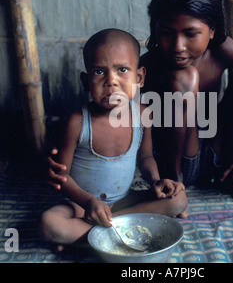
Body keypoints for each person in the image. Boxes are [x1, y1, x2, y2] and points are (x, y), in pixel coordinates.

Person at [47, 0, 233, 210]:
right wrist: (65, 149)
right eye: (167, 33)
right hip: (172, 162)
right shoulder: (142, 68)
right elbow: (103, 107)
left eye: (191, 34)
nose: (178, 46)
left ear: (212, 30)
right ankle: (174, 186)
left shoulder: (222, 49)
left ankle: (231, 178)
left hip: (218, 154)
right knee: (185, 78)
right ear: (155, 28)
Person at [39, 29, 187, 248]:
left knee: (179, 200)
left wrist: (156, 181)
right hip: (80, 205)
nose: (111, 81)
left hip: (124, 201)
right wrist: (88, 201)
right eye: (99, 71)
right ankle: (121, 231)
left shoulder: (143, 114)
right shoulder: (77, 122)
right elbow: (62, 177)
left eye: (123, 70)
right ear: (85, 80)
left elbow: (145, 157)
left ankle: (90, 236)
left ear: (139, 78)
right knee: (49, 224)